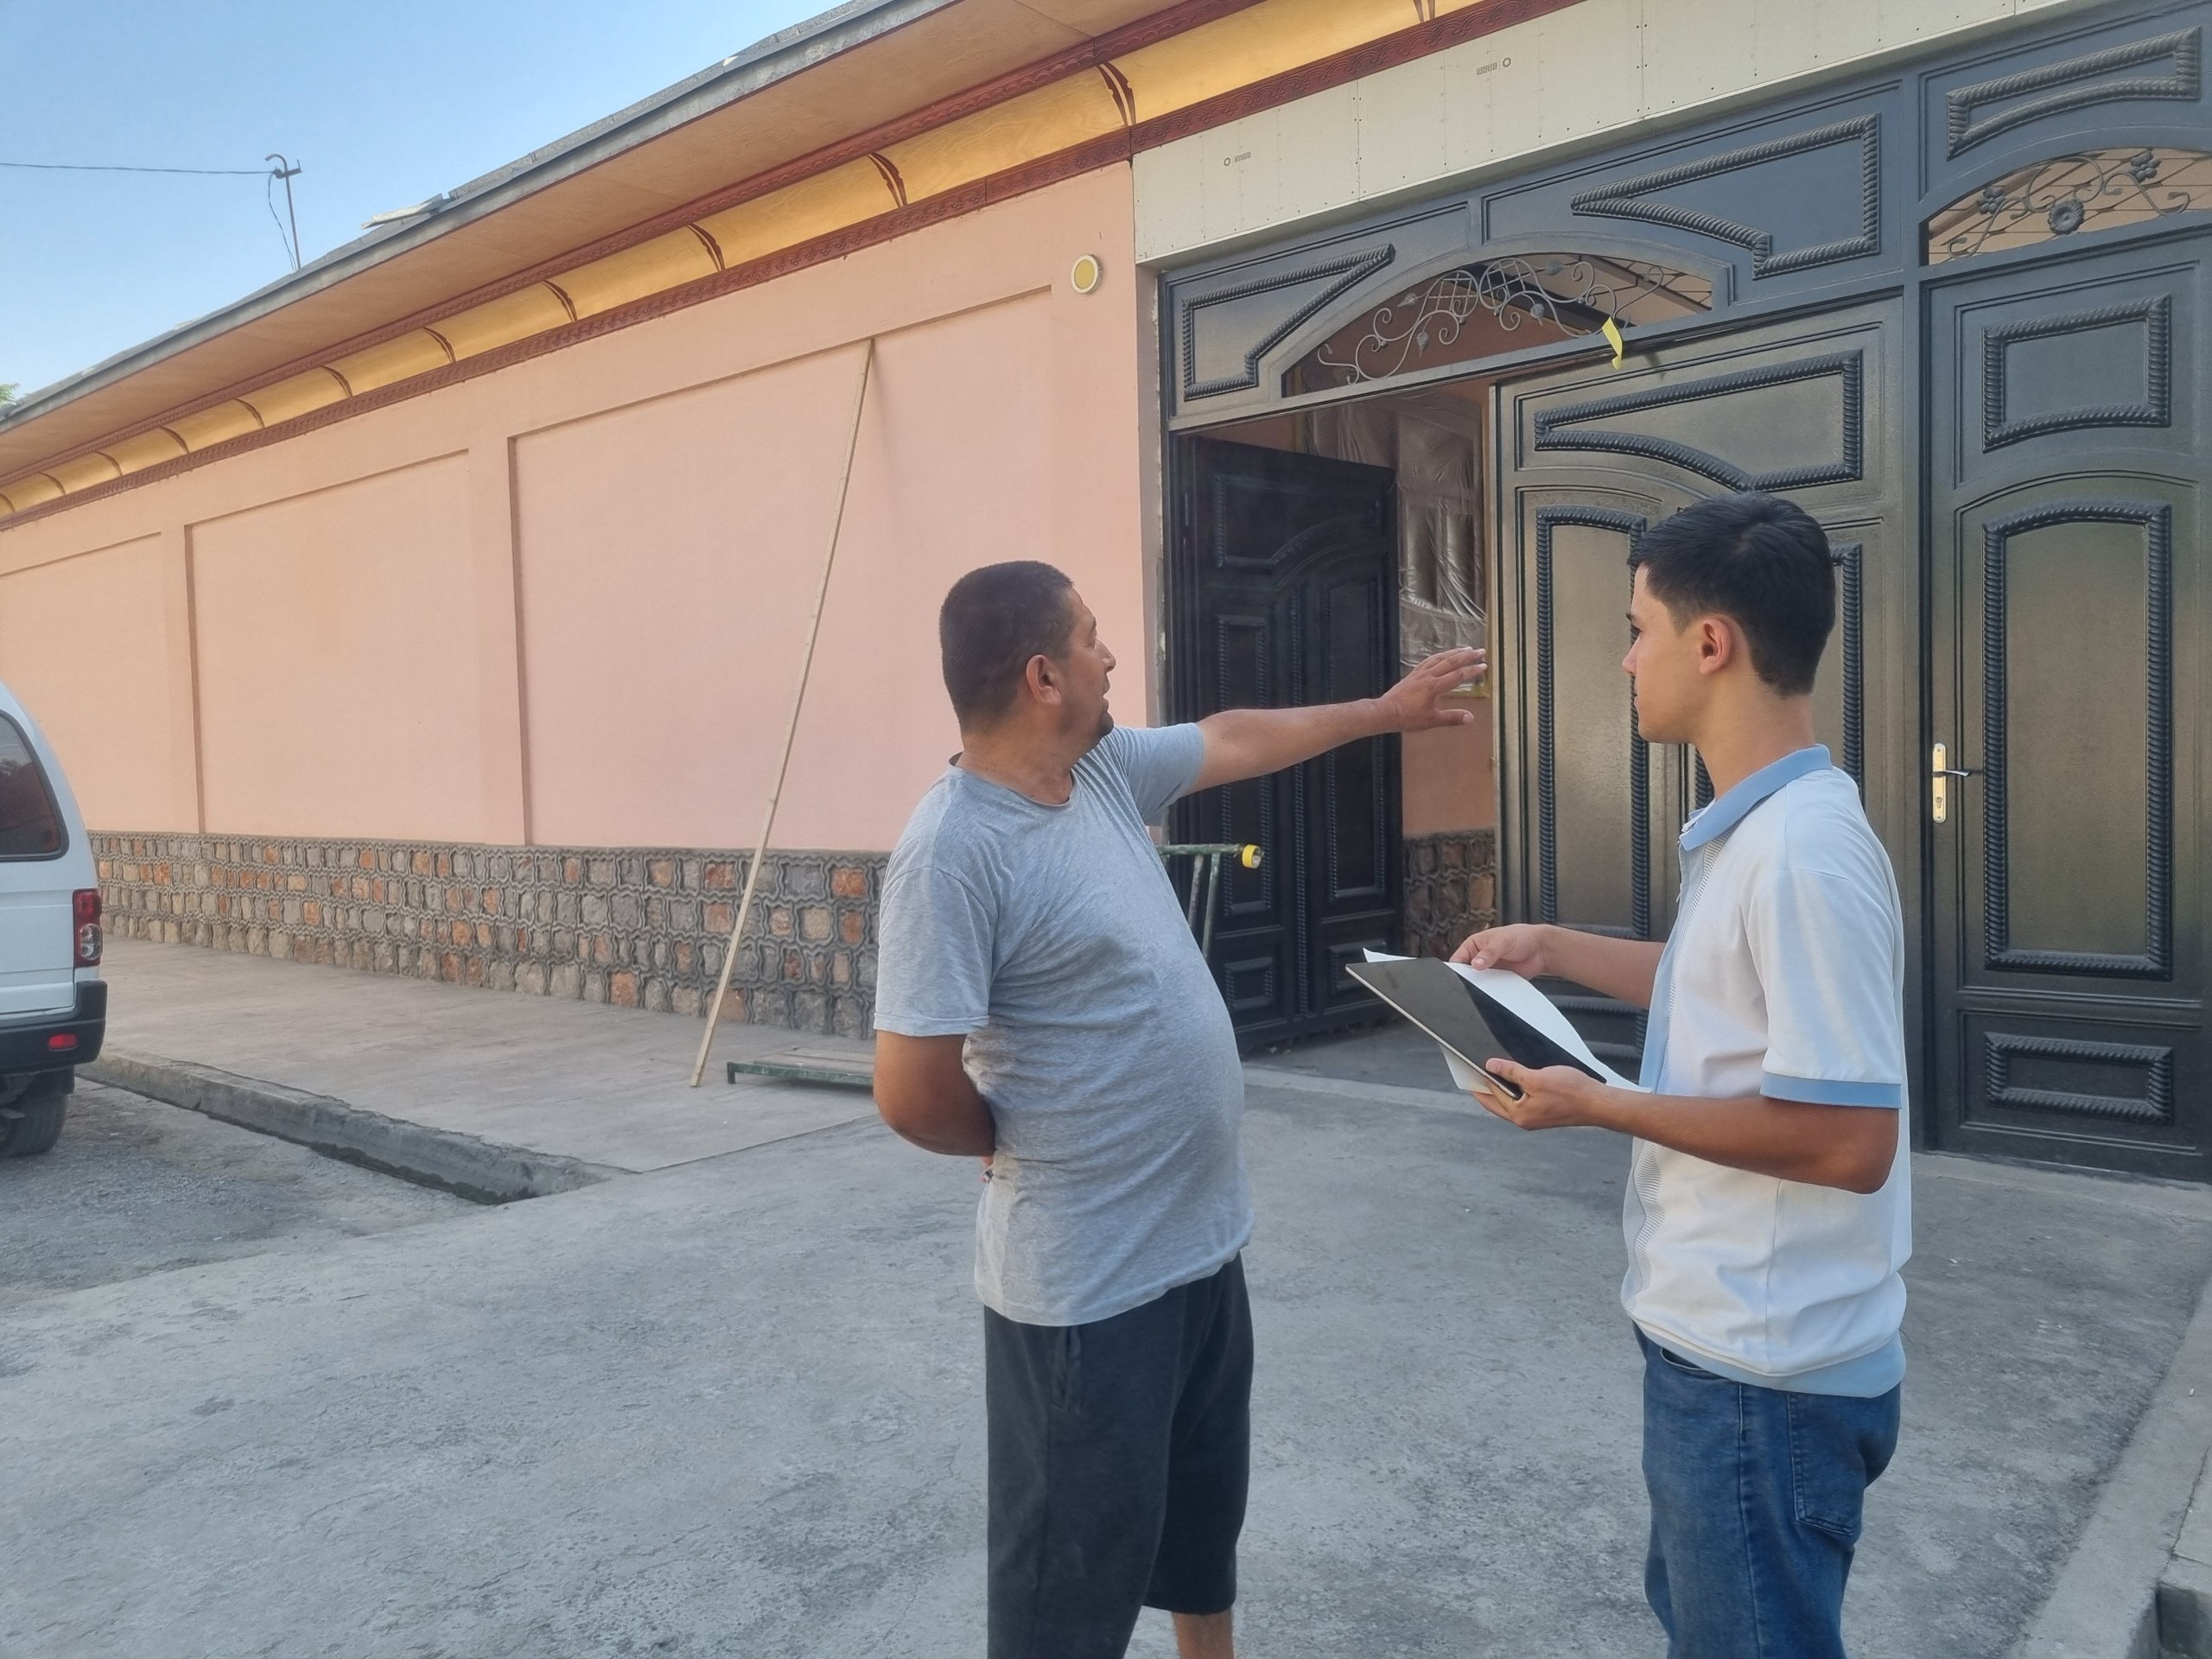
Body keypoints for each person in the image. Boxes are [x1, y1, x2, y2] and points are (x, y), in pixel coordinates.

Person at [872, 559, 1482, 1659]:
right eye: (1091, 638)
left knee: (1201, 1532)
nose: (1111, 657)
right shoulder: (953, 849)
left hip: (1199, 1249)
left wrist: (1381, 713)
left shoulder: (1100, 773)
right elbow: (911, 1092)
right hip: (1087, 1286)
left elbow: (1233, 737)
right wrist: (1009, 1139)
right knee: (1065, 1593)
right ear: (1043, 676)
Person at [1453, 492, 1909, 1659]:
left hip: (1766, 1374)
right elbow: (1718, 984)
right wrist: (1554, 948)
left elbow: (1849, 1141)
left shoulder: (1801, 853)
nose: (1625, 659)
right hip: (1729, 1357)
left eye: (1637, 628)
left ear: (1712, 644)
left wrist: (1596, 1104)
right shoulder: (1759, 832)